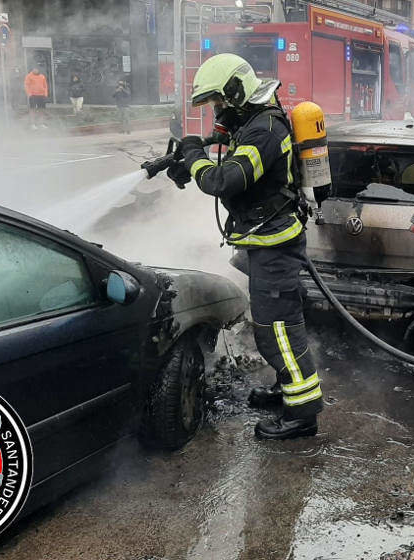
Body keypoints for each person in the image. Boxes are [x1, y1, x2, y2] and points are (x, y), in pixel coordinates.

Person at [167, 53, 324, 440]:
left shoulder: (263, 131)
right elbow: (226, 148)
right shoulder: (255, 121)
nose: (217, 110)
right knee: (276, 325)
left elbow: (224, 181)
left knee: (279, 332)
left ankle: (301, 415)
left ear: (236, 93)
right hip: (265, 242)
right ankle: (286, 391)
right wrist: (188, 154)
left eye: (219, 101)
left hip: (275, 247)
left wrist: (194, 158)